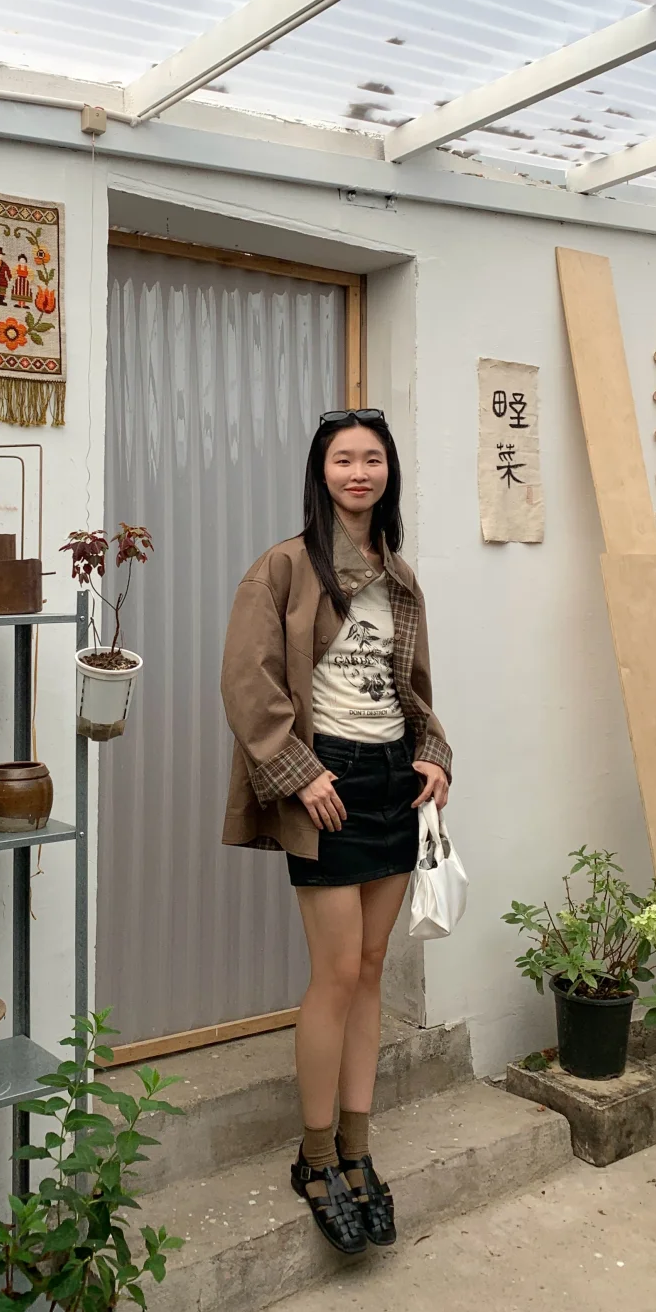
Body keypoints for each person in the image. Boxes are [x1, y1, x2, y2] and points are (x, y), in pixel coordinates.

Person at [220, 408, 452, 1256]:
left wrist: (433, 755)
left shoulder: (399, 575)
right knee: (336, 973)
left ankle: (358, 1147)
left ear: (389, 473)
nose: (360, 472)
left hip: (393, 780)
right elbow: (248, 683)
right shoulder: (283, 567)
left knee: (373, 966)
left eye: (373, 459)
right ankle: (314, 1156)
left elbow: (412, 686)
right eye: (344, 459)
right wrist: (301, 772)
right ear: (322, 473)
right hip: (328, 783)